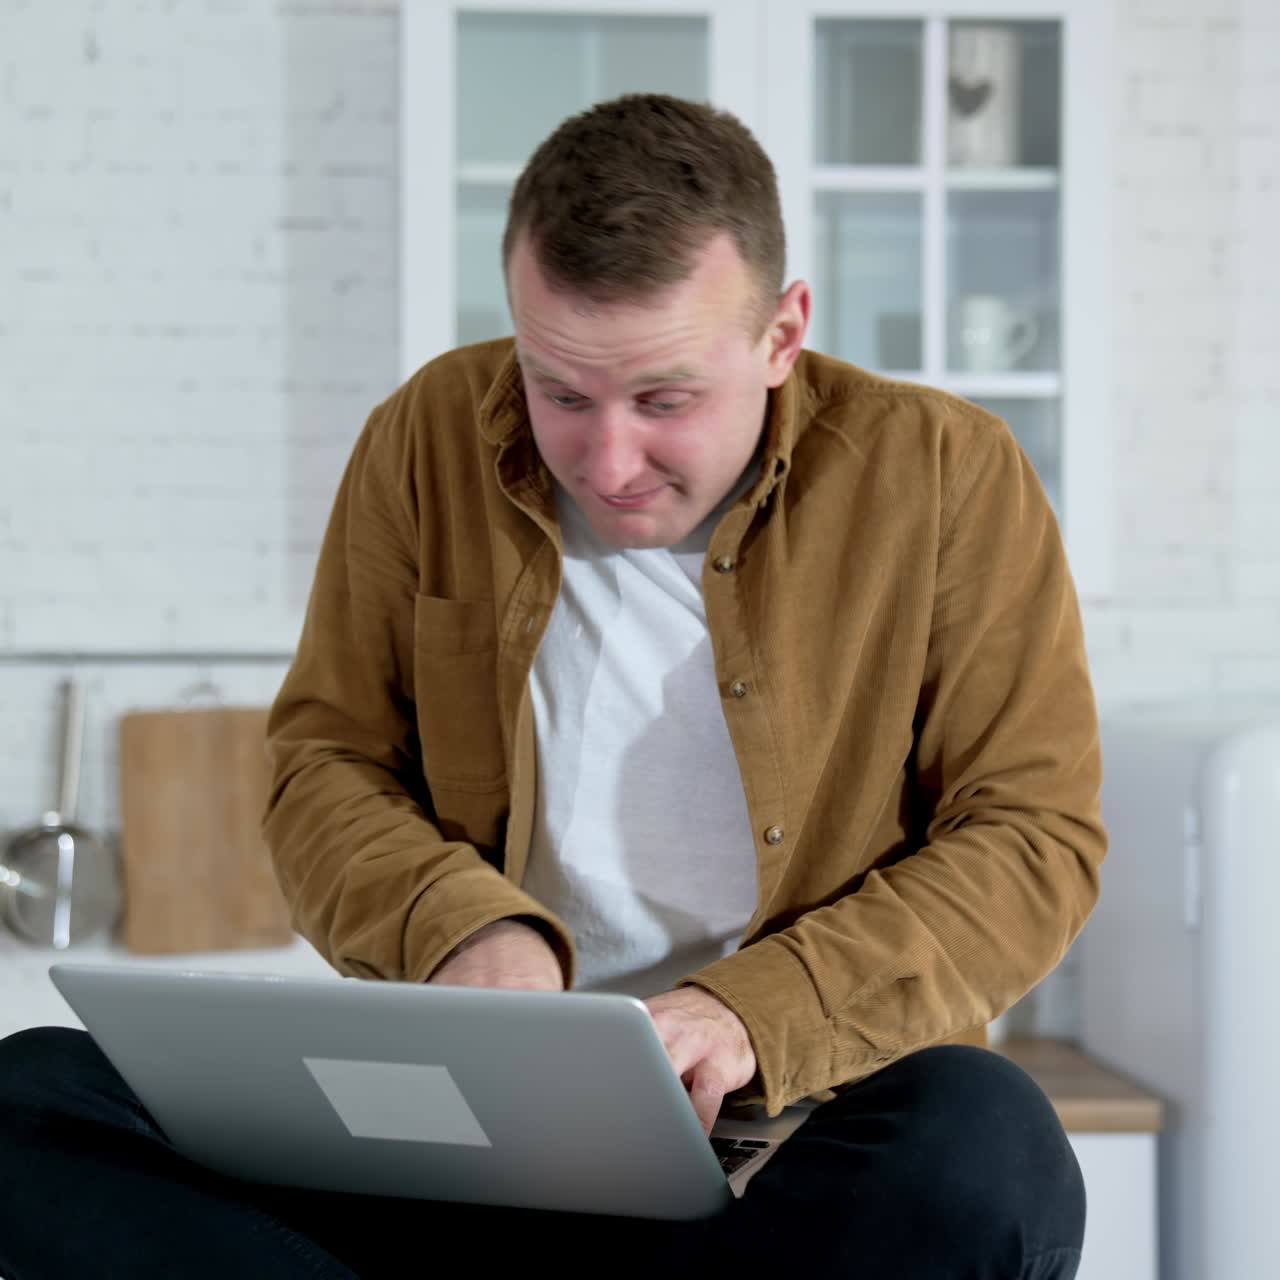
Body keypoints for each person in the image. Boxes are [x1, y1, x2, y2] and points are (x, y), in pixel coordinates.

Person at [0, 93, 1103, 1279]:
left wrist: (746, 1013)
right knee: (29, 1096)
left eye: (663, 399)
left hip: (788, 1139)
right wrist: (465, 933)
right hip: (467, 1123)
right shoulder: (424, 436)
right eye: (560, 392)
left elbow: (1031, 836)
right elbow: (322, 767)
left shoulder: (945, 473)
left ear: (782, 335)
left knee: (987, 1144)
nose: (607, 461)